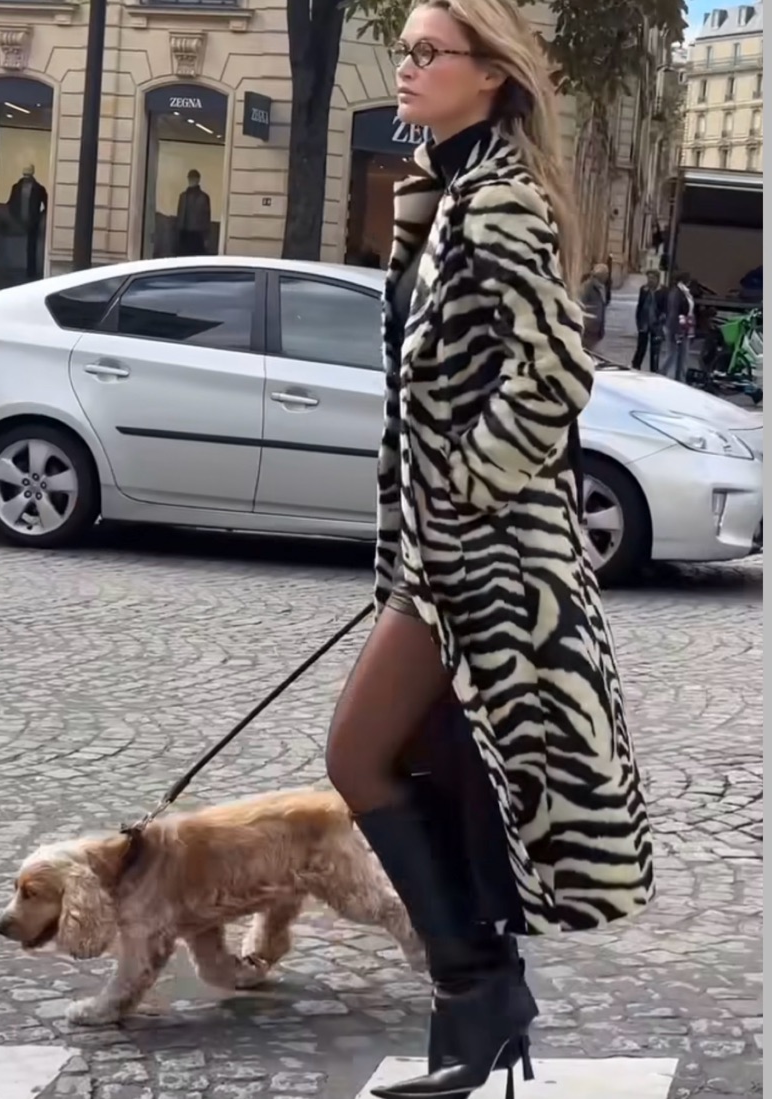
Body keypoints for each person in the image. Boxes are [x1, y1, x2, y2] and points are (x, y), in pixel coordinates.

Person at [324, 2, 655, 1098]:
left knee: (358, 754)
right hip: (442, 558)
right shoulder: (442, 191)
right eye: (406, 49)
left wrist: (464, 487)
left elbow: (556, 369)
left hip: (488, 565)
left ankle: (480, 990)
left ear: (490, 75)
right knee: (438, 766)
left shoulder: (500, 198)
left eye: (430, 52)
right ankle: (476, 1004)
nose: (408, 66)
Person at [6, 165, 48, 281]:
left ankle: (30, 271)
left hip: (32, 221)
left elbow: (47, 204)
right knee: (20, 246)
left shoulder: (38, 189)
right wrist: (13, 215)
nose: (27, 178)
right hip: (18, 220)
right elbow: (11, 203)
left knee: (31, 247)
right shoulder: (17, 187)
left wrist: (39, 216)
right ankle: (23, 270)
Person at [661, 271, 695, 383]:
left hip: (685, 326)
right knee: (673, 353)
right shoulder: (677, 292)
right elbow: (674, 312)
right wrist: (676, 330)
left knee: (683, 354)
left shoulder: (684, 291)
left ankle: (680, 378)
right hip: (678, 327)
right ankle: (662, 373)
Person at [633, 269, 666, 372]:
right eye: (649, 278)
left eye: (653, 278)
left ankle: (654, 370)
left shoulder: (663, 291)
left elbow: (665, 307)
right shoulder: (644, 289)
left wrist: (662, 320)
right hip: (644, 322)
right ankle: (635, 366)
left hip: (656, 323)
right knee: (641, 347)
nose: (650, 280)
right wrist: (638, 321)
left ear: (657, 279)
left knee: (655, 350)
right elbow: (640, 305)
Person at [175, 170, 211, 255]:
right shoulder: (183, 196)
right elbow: (179, 216)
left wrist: (206, 238)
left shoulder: (203, 197)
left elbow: (206, 219)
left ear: (198, 180)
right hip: (184, 234)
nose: (191, 180)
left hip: (198, 235)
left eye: (194, 178)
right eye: (190, 178)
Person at [579, 262, 609, 350]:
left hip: (598, 327)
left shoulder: (602, 287)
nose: (607, 276)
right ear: (600, 275)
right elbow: (581, 304)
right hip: (588, 327)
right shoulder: (587, 286)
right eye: (606, 274)